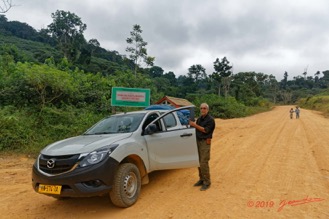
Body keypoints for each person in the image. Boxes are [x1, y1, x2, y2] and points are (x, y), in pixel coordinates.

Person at [189, 103, 216, 191]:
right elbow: (195, 129)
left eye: (204, 108)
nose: (202, 110)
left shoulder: (211, 120)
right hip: (198, 141)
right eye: (201, 108)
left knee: (204, 162)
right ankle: (201, 179)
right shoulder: (199, 119)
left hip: (205, 142)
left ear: (207, 109)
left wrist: (194, 125)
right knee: (198, 161)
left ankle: (207, 182)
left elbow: (205, 130)